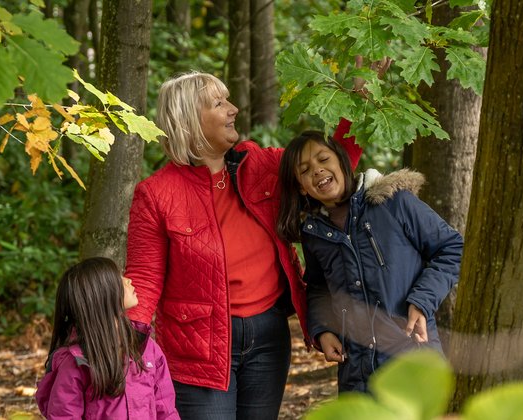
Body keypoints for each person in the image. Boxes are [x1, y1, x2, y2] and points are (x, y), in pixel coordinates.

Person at [124, 72, 361, 419]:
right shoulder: (157, 193)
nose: (233, 109)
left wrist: (358, 99)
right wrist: (127, 349)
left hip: (269, 335)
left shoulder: (261, 165)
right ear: (189, 120)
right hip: (198, 345)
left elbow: (331, 170)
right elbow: (144, 279)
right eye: (219, 103)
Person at [276, 131, 463, 393]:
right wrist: (322, 331)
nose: (317, 171)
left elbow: (452, 248)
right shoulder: (314, 233)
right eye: (305, 170)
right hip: (358, 374)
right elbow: (318, 287)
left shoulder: (394, 202)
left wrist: (422, 301)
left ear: (342, 161)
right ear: (300, 186)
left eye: (323, 159)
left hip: (414, 360)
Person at [35, 257, 179, 419]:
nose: (128, 280)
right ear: (101, 295)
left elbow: (166, 411)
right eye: (119, 278)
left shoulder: (147, 349)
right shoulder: (75, 362)